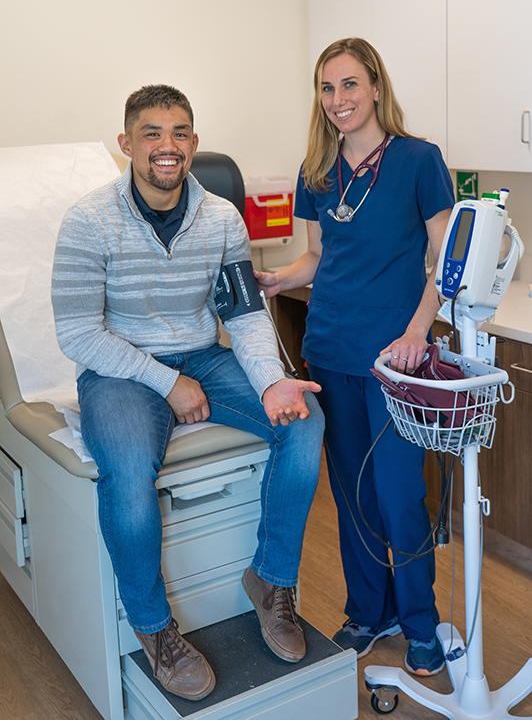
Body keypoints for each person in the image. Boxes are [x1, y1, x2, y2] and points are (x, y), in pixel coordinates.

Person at [51, 85, 325, 701]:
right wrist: (167, 382)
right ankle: (154, 630)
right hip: (120, 369)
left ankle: (271, 581)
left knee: (304, 421)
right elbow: (77, 333)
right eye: (151, 133)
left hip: (203, 354)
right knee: (124, 471)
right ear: (126, 144)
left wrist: (272, 381)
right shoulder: (88, 220)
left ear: (194, 144)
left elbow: (248, 317)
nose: (166, 147)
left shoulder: (224, 219)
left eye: (179, 133)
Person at [255, 38, 455, 677]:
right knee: (353, 495)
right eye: (326, 88)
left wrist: (419, 332)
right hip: (331, 349)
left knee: (399, 494)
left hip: (396, 360)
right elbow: (318, 257)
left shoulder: (420, 161)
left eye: (348, 85)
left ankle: (420, 621)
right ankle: (371, 613)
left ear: (374, 87)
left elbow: (445, 264)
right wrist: (279, 280)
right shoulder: (315, 167)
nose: (337, 100)